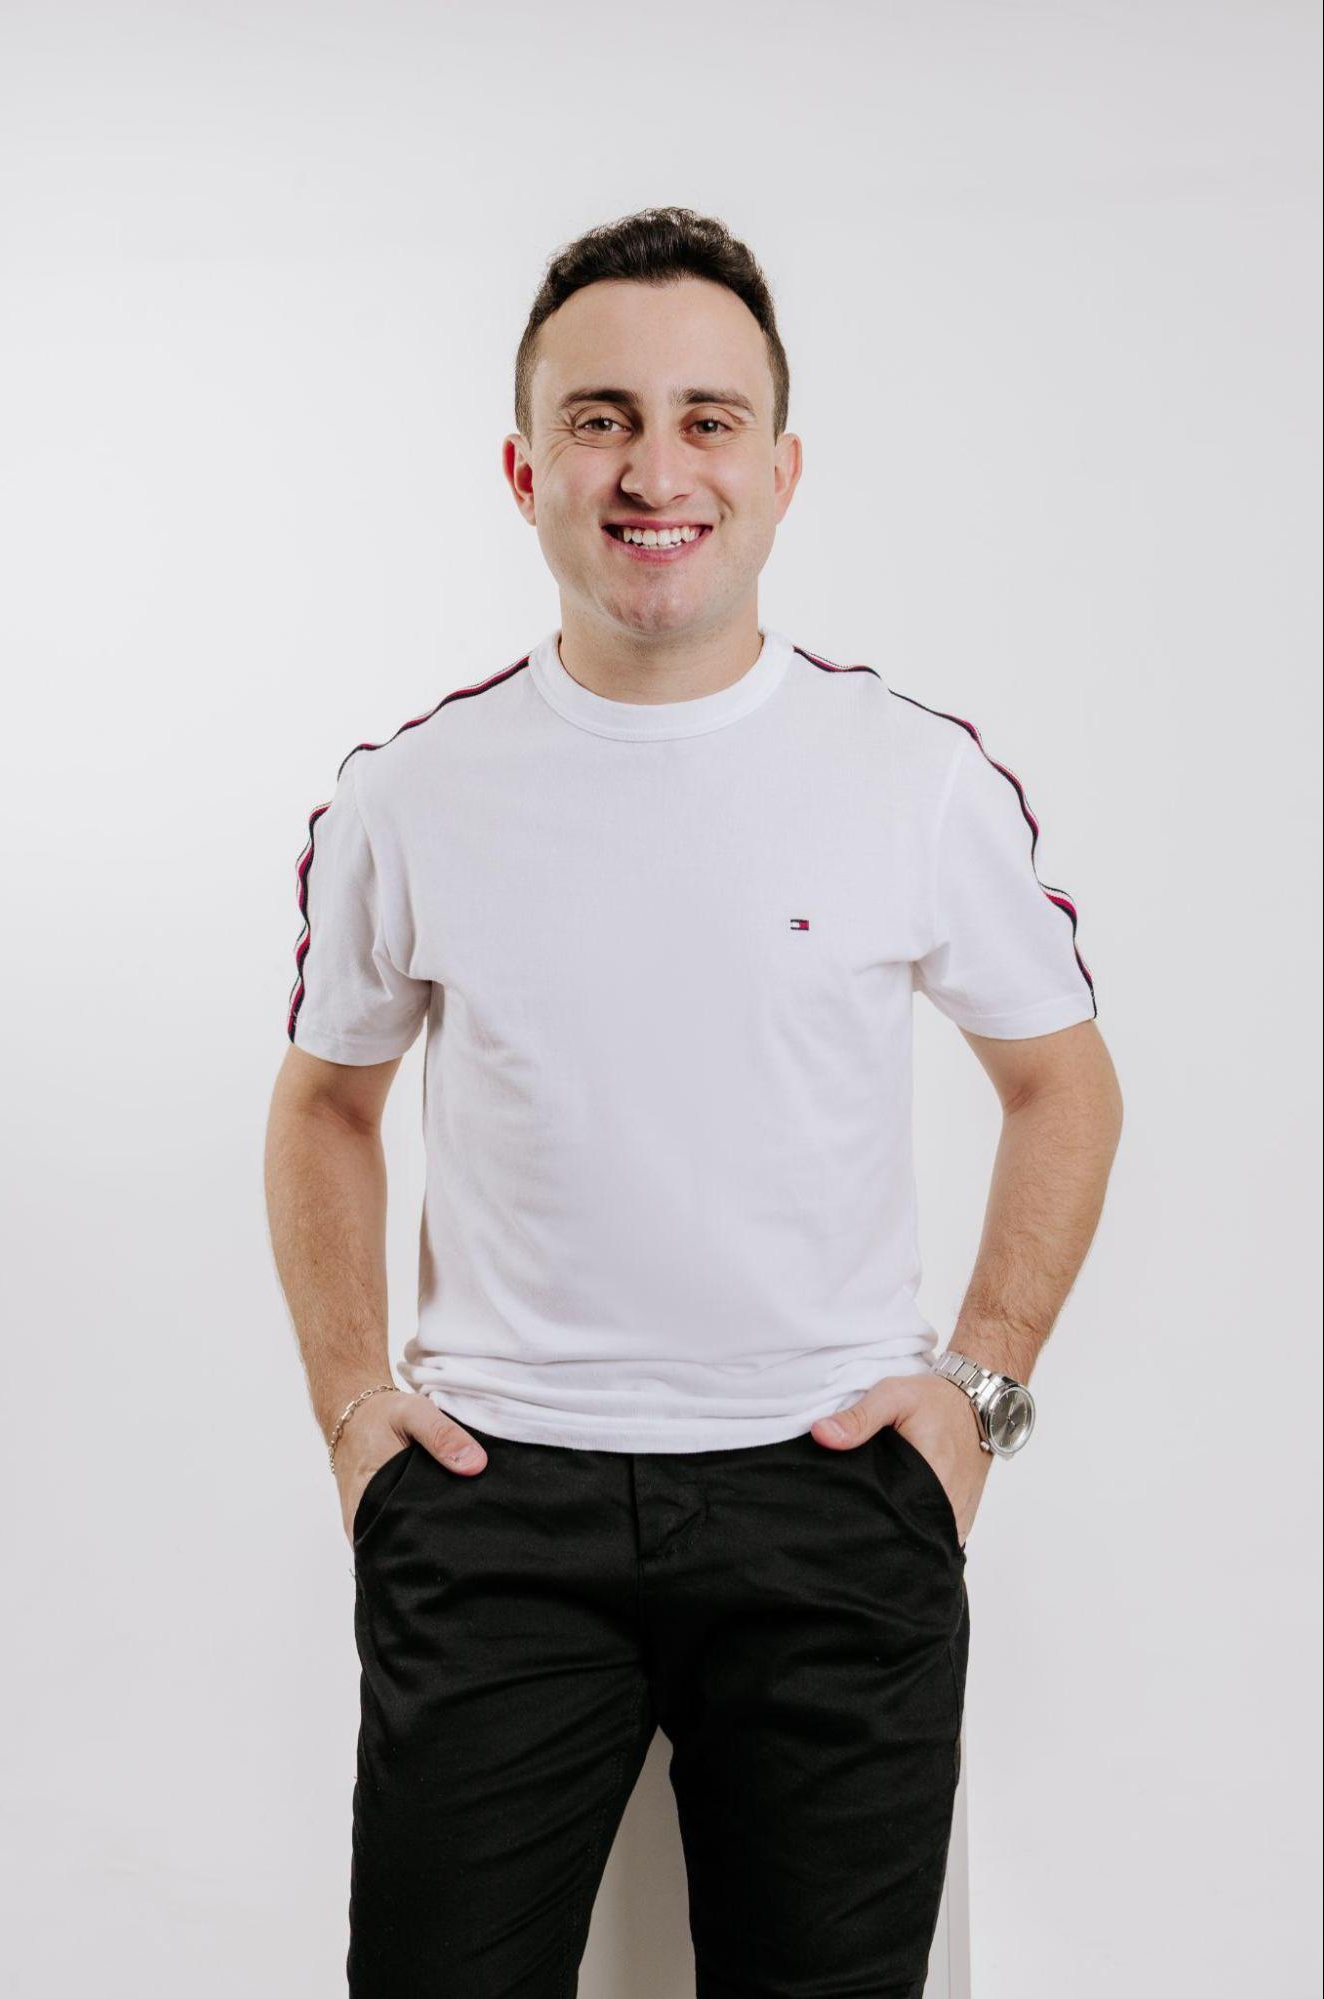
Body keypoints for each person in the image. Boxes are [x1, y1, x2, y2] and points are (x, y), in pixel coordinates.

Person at [264, 204, 1124, 1998]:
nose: (655, 472)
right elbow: (326, 1108)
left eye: (705, 420)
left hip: (833, 1496)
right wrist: (353, 1409)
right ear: (526, 469)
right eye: (601, 420)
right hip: (497, 1503)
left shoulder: (911, 779)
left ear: (780, 470)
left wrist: (977, 1394)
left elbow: (1059, 1084)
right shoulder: (412, 795)